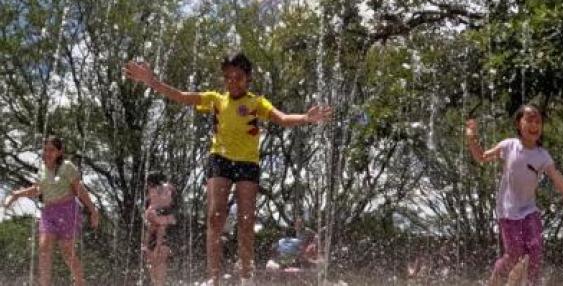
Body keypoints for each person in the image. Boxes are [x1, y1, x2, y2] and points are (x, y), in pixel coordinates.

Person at [124, 53, 332, 285]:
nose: (233, 82)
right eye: (228, 77)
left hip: (247, 164)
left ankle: (246, 277)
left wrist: (305, 117)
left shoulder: (256, 103)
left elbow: (281, 118)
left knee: (246, 221)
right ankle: (213, 278)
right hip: (220, 160)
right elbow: (182, 97)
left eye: (239, 77)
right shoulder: (215, 99)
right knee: (215, 218)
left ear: (249, 78)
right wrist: (151, 81)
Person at [465, 104, 563, 286]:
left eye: (538, 121)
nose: (534, 124)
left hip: (529, 209)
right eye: (529, 119)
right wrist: (472, 137)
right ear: (519, 123)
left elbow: (560, 182)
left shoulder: (542, 156)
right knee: (514, 254)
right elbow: (481, 157)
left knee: (535, 249)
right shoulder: (508, 146)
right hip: (508, 210)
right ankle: (495, 281)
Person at [3, 135, 100, 286]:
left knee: (67, 251)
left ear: (59, 152)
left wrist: (93, 211)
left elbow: (79, 189)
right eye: (45, 150)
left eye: (51, 150)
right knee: (44, 246)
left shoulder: (67, 167)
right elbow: (38, 189)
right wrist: (17, 195)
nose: (47, 153)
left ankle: (80, 282)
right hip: (48, 212)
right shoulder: (42, 169)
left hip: (67, 211)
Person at [142, 172, 177, 286]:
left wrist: (156, 242)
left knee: (159, 257)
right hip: (155, 230)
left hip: (161, 229)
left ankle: (158, 284)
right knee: (153, 260)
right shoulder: (162, 193)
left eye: (149, 184)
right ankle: (157, 283)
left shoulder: (163, 192)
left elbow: (161, 220)